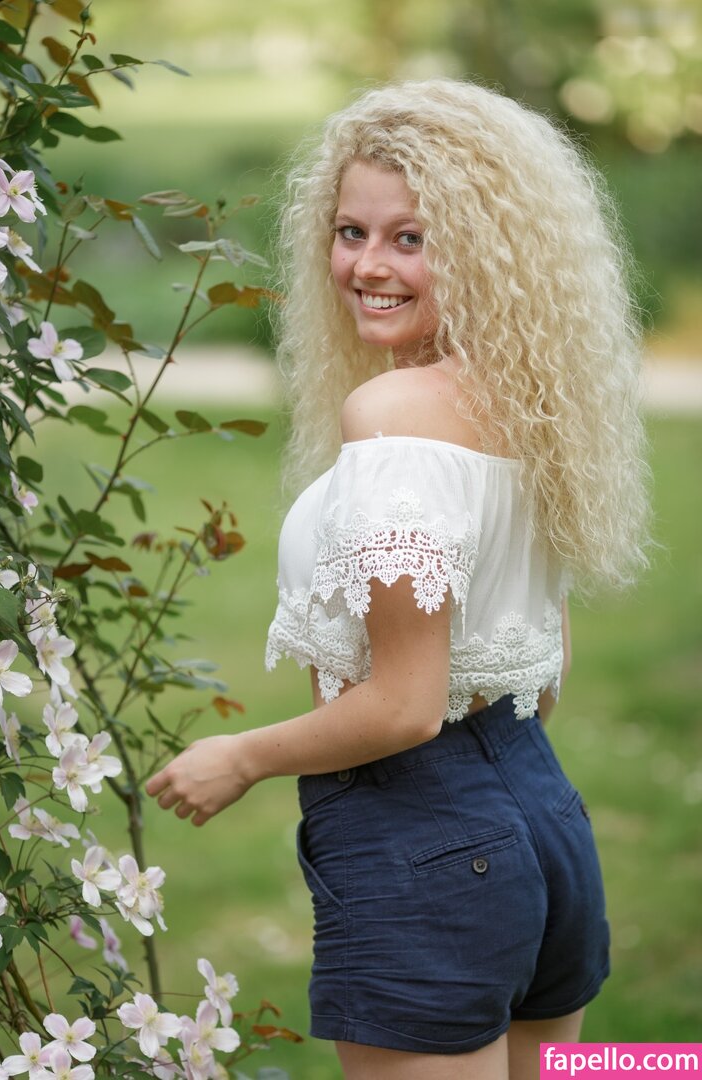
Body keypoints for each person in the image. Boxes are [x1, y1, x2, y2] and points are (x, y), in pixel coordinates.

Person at [146, 78, 651, 1079]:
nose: (367, 266)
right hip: (543, 811)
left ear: (488, 246)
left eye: (410, 239)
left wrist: (239, 757)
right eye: (351, 232)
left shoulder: (394, 419)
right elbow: (543, 668)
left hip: (422, 836)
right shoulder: (538, 404)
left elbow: (407, 706)